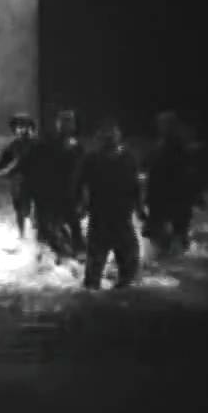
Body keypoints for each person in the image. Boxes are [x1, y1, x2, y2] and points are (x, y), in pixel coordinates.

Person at [72, 118, 145, 290]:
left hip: (122, 219)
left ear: (119, 136)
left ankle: (120, 295)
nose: (109, 138)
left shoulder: (128, 158)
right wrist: (79, 206)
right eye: (105, 135)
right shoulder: (91, 159)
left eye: (112, 134)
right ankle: (96, 296)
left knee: (129, 269)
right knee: (93, 273)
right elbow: (78, 185)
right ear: (99, 138)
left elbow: (136, 186)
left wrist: (140, 208)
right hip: (100, 219)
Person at [143, 111, 200, 253]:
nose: (160, 127)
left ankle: (173, 253)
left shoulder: (175, 146)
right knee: (167, 232)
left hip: (171, 195)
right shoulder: (164, 145)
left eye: (164, 124)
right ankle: (171, 252)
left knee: (173, 232)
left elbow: (181, 171)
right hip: (167, 196)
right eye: (161, 124)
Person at [36, 109, 87, 257]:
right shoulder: (49, 144)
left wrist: (83, 196)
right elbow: (42, 169)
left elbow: (83, 171)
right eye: (64, 121)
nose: (67, 125)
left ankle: (77, 253)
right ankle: (56, 253)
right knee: (52, 227)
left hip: (71, 193)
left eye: (70, 121)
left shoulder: (77, 146)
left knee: (74, 225)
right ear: (58, 124)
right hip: (53, 193)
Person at [0, 112, 39, 240]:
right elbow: (0, 169)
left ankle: (39, 235)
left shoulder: (39, 145)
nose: (23, 130)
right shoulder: (12, 147)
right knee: (20, 211)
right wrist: (9, 171)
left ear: (31, 128)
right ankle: (22, 236)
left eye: (26, 126)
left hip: (38, 183)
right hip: (19, 184)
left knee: (37, 211)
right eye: (19, 127)